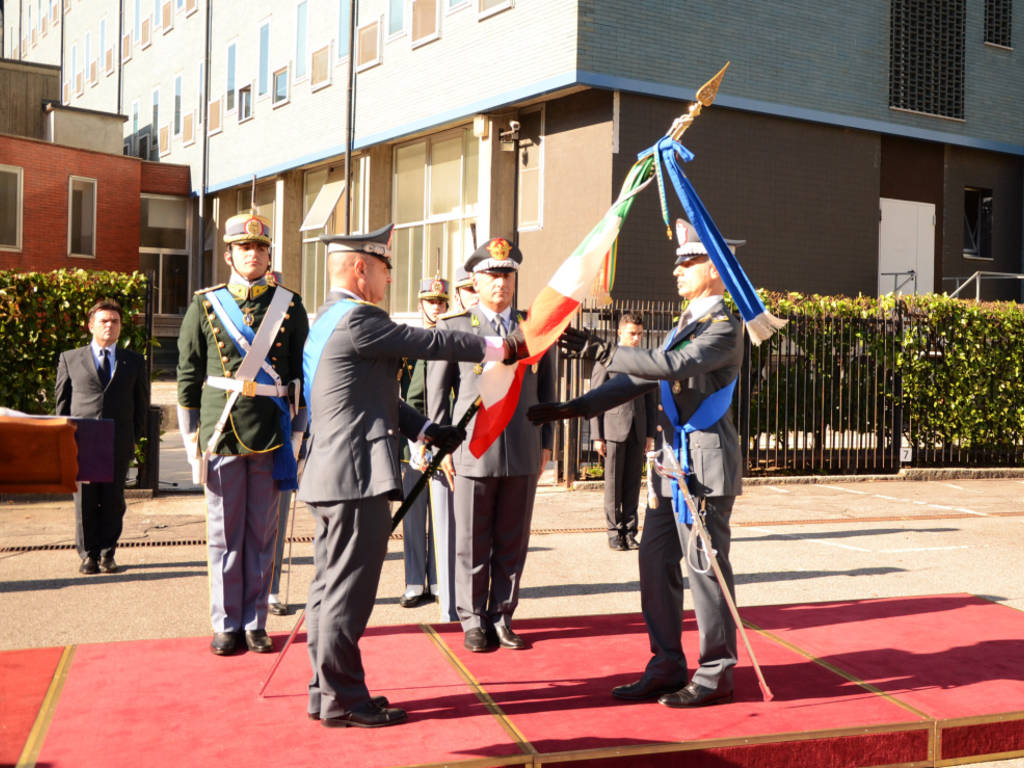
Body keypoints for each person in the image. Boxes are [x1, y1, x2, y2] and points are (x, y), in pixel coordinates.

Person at [299, 224, 530, 728]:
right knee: (346, 593)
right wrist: (504, 348)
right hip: (353, 477)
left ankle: (325, 690)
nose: (388, 278)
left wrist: (425, 428)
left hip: (332, 475)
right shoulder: (360, 319)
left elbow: (375, 397)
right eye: (385, 268)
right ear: (361, 268)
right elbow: (434, 340)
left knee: (326, 589)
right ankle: (344, 699)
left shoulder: (327, 320)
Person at [529, 218, 744, 708]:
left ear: (714, 268)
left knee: (703, 568)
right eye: (678, 264)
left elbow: (670, 368)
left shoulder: (722, 329)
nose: (677, 272)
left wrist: (606, 348)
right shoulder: (685, 324)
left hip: (705, 469)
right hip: (672, 466)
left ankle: (717, 672)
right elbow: (638, 379)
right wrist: (577, 408)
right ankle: (667, 662)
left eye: (688, 262)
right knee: (653, 562)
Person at [176, 211, 309, 656]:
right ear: (229, 255)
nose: (253, 254)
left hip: (271, 431)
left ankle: (256, 621)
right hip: (221, 432)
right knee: (223, 533)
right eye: (244, 248)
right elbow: (188, 376)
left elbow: (300, 375)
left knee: (262, 533)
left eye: (260, 248)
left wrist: (298, 434)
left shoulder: (288, 304)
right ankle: (226, 622)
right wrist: (191, 440)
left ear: (269, 254)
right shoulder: (206, 303)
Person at [427, 237, 556, 653]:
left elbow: (548, 393)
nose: (500, 283)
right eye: (491, 275)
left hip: (521, 446)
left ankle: (502, 614)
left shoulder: (532, 330)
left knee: (513, 539)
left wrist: (547, 444)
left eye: (507, 275)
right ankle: (472, 619)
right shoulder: (455, 328)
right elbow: (436, 396)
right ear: (475, 281)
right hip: (470, 450)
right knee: (471, 539)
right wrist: (438, 446)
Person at [55, 299, 149, 576]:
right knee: (84, 500)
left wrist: (135, 437)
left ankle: (108, 553)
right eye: (104, 321)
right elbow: (62, 403)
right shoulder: (70, 358)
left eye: (115, 321)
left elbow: (140, 403)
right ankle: (88, 555)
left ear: (120, 326)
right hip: (83, 440)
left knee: (113, 500)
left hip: (117, 440)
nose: (110, 325)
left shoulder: (133, 360)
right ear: (90, 325)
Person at [397, 275, 451, 609]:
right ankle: (416, 582)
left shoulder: (450, 341)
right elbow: (406, 397)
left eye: (440, 302)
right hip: (414, 442)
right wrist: (415, 443)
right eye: (430, 301)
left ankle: (442, 580)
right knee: (415, 515)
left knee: (444, 516)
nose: (435, 307)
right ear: (420, 304)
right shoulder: (408, 342)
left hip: (445, 441)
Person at [590, 312, 657, 551]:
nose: (637, 338)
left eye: (640, 333)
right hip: (613, 430)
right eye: (632, 333)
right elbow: (594, 399)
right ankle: (613, 532)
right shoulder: (606, 359)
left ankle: (630, 532)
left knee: (631, 485)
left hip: (638, 432)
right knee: (613, 485)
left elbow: (651, 399)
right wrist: (597, 436)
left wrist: (650, 433)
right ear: (620, 332)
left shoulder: (644, 360)